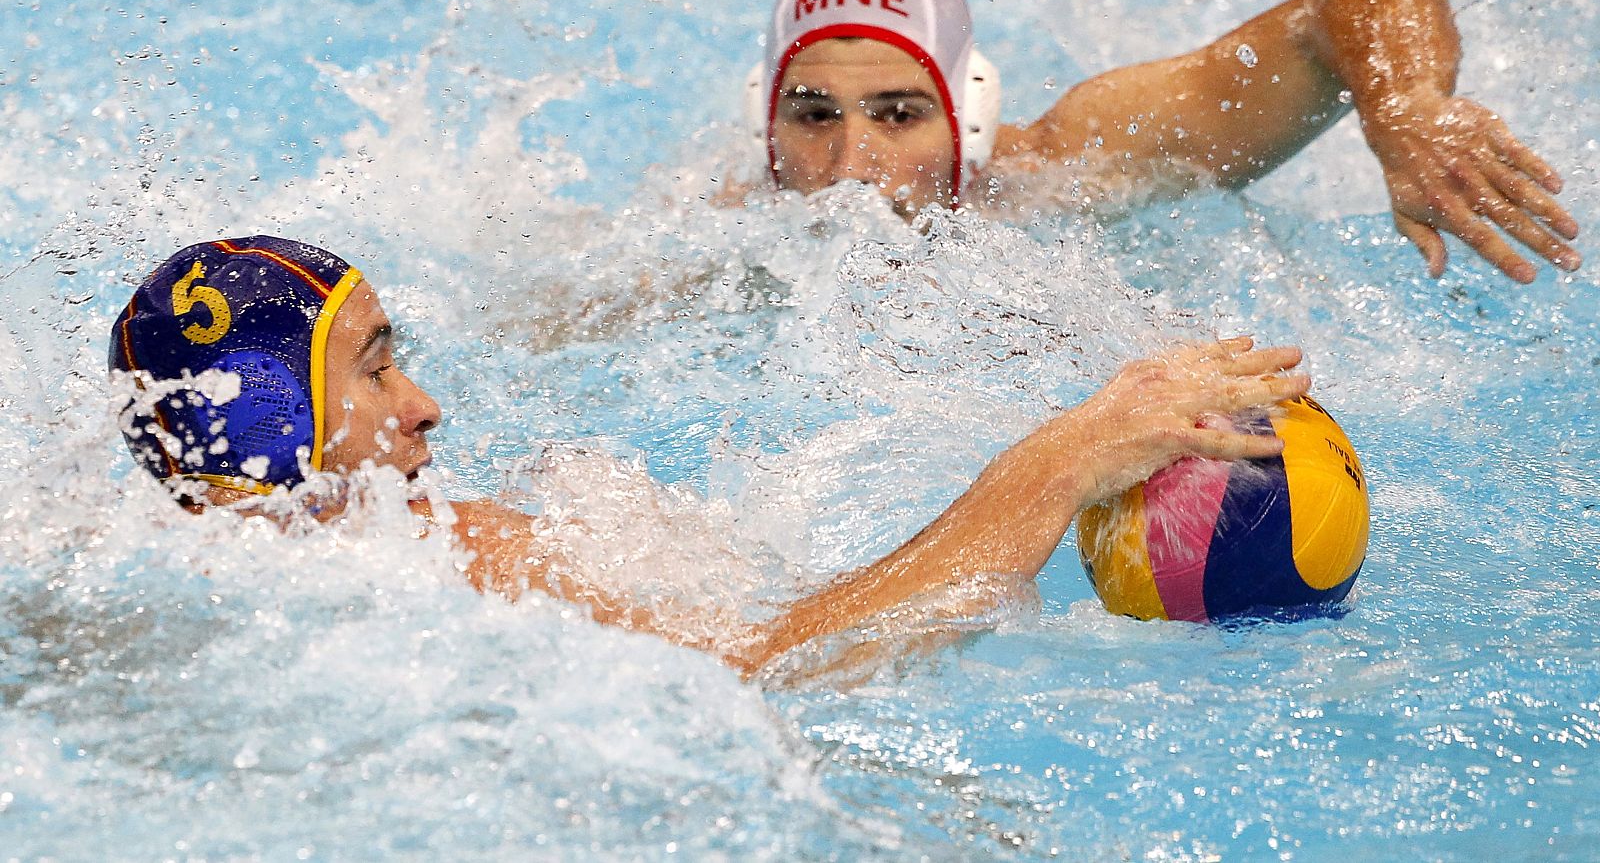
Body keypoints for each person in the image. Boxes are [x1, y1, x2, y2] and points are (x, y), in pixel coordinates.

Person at [111, 236, 1308, 675]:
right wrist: (1064, 456)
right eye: (373, 368)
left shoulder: (171, 580)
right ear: (270, 427)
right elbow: (778, 668)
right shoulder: (444, 574)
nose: (425, 406)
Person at [737, 0, 1579, 284]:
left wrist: (1406, 106)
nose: (851, 166)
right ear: (764, 126)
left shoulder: (1072, 165)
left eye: (898, 115)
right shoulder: (721, 245)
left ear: (971, 119)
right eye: (813, 117)